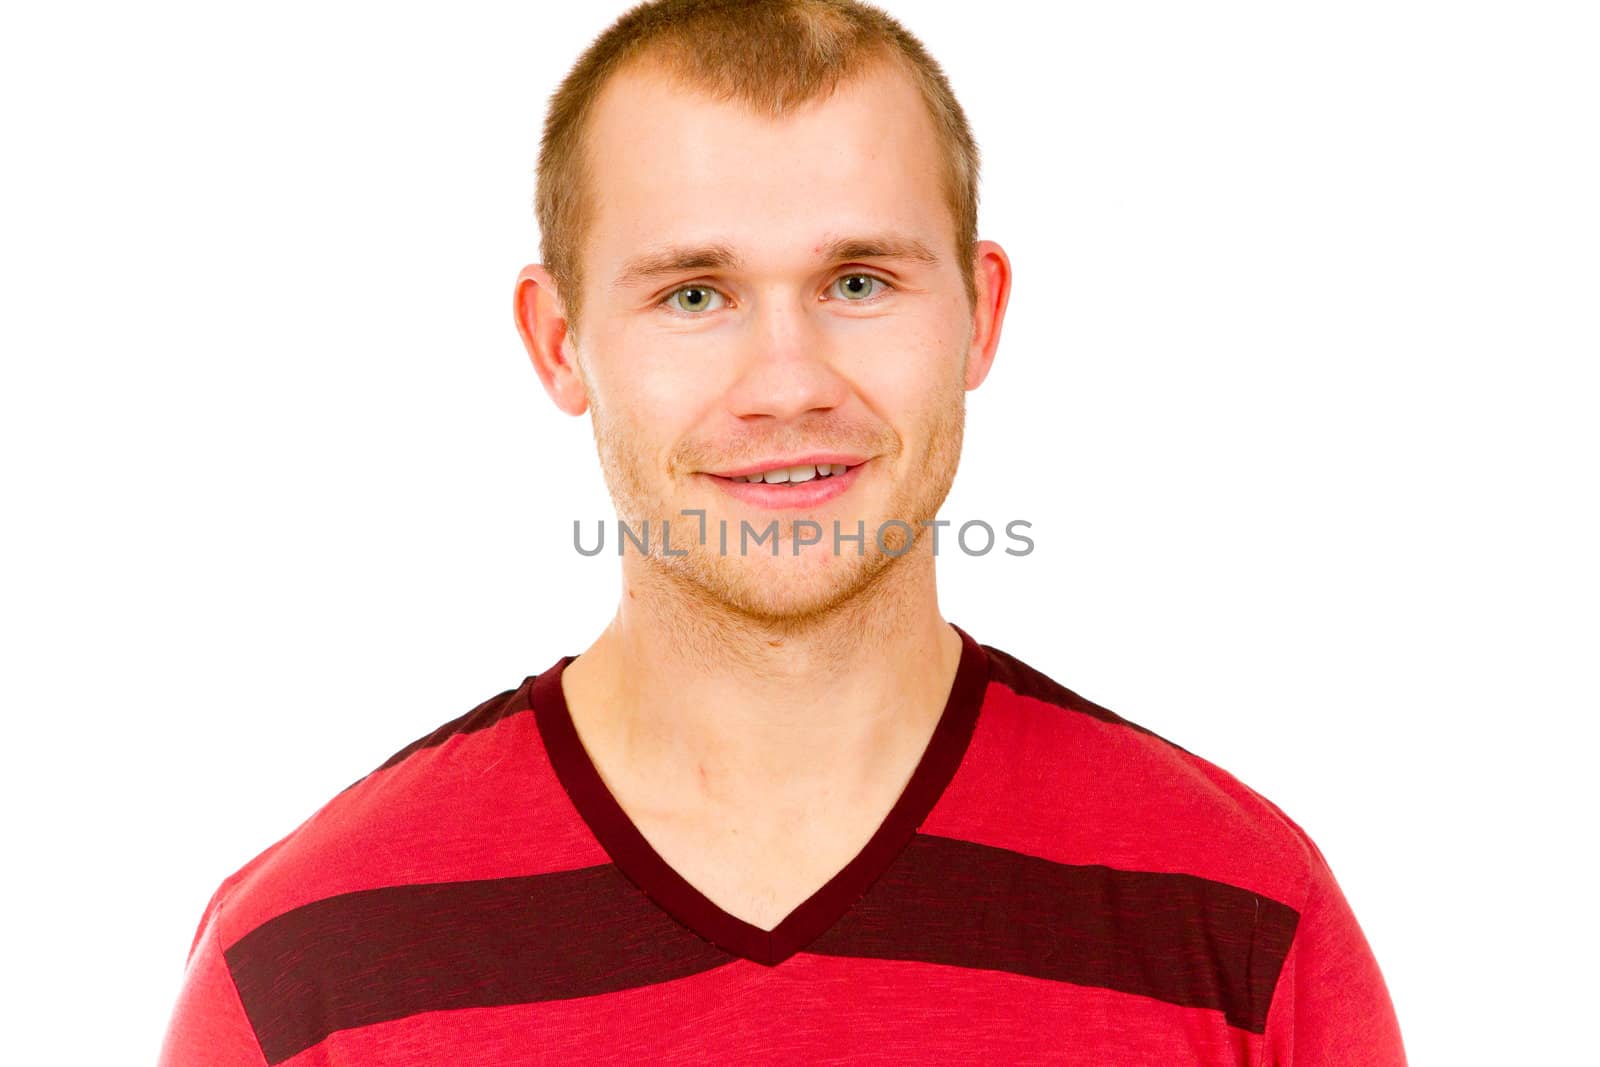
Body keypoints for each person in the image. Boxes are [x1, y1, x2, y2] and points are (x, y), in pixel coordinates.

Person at [159, 1, 1406, 1063]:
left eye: (857, 282)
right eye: (694, 294)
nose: (787, 380)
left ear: (979, 314)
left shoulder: (1239, 919)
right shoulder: (308, 961)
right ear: (557, 343)